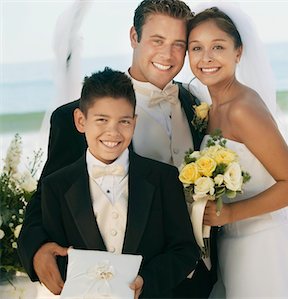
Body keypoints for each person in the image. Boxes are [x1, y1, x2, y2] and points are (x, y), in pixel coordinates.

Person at [18, 1, 216, 298]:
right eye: (157, 40)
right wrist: (36, 250)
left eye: (179, 44)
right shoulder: (78, 119)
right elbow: (46, 198)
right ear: (134, 37)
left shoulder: (195, 103)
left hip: (201, 278)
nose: (168, 54)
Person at [186, 5, 288, 298]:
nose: (206, 58)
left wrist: (229, 213)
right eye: (196, 48)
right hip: (233, 246)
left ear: (238, 52)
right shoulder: (212, 107)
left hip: (264, 245)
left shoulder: (243, 108)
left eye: (218, 47)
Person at [40, 67, 198, 298]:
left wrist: (147, 281)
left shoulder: (163, 178)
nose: (112, 132)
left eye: (123, 121)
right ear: (80, 120)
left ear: (134, 122)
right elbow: (57, 255)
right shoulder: (56, 186)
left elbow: (185, 251)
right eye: (102, 120)